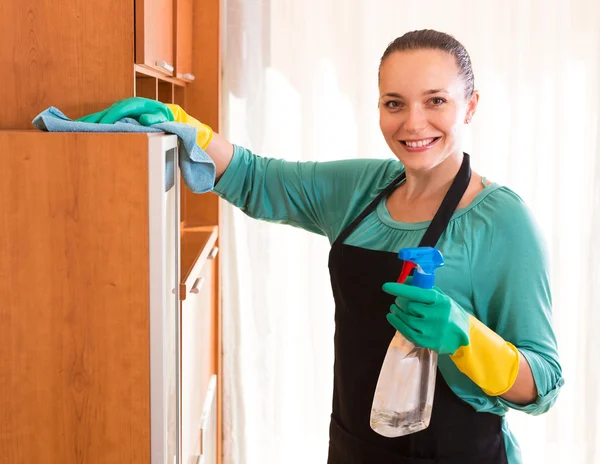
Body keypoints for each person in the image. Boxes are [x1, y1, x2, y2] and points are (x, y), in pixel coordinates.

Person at [87, 29, 563, 464]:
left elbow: (544, 384)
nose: (414, 123)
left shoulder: (503, 221)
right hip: (355, 447)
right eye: (394, 104)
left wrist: (467, 338)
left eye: (436, 100)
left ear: (471, 106)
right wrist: (181, 123)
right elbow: (257, 179)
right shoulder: (361, 188)